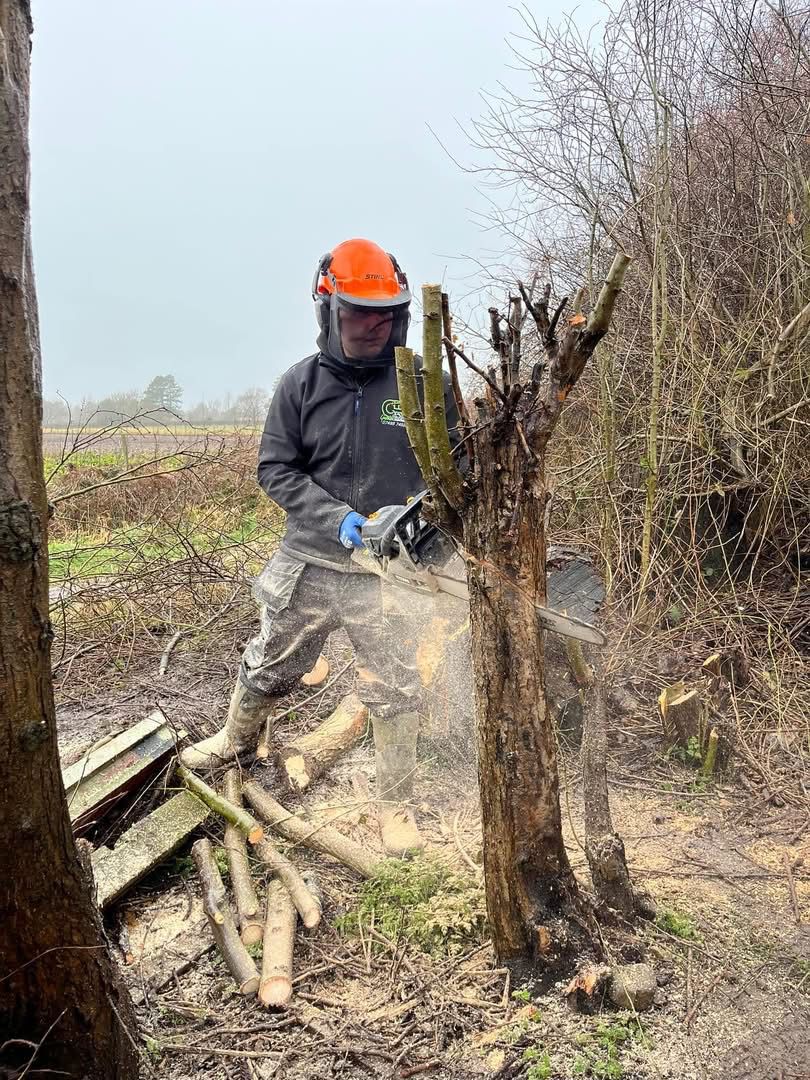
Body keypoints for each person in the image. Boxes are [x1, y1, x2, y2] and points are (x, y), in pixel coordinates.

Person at [181, 238, 459, 856]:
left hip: (388, 570)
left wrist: (414, 519)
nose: (373, 324)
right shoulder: (300, 386)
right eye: (358, 311)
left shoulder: (422, 383)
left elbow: (453, 468)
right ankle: (236, 736)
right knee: (270, 659)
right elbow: (275, 469)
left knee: (395, 681)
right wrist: (338, 518)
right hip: (310, 556)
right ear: (328, 309)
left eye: (384, 312)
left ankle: (396, 805)